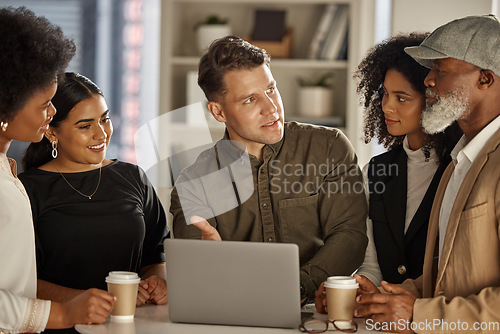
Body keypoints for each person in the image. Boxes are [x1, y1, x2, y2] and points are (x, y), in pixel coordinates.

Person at [170, 36, 368, 303]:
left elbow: (350, 236)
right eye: (250, 100)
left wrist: (297, 287)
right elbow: (195, 275)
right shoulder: (193, 183)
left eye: (271, 89)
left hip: (317, 313)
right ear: (218, 112)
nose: (272, 108)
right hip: (233, 311)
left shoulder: (329, 147)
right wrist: (208, 264)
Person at [352, 14, 500, 333]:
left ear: (485, 79)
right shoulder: (461, 162)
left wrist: (417, 314)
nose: (429, 80)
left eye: (440, 69)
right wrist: (390, 297)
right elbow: (449, 275)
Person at [19, 73, 168, 332]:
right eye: (85, 126)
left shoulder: (133, 177)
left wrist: (157, 281)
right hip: (56, 326)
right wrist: (95, 301)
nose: (102, 134)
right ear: (52, 131)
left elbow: (156, 254)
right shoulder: (27, 190)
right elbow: (21, 281)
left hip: (130, 326)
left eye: (105, 119)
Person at [0, 6, 117, 333]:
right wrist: (63, 314)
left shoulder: (7, 171)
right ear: (5, 108)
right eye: (43, 105)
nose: (52, 113)